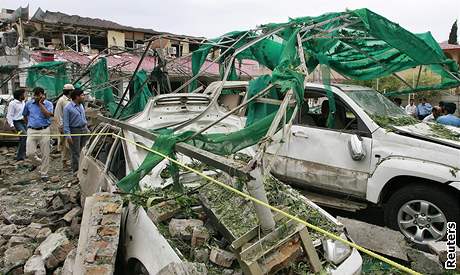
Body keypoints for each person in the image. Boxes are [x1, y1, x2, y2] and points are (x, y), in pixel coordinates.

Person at [23, 87, 54, 180]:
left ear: (43, 95)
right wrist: (29, 124)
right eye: (35, 95)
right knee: (30, 153)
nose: (37, 97)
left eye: (39, 95)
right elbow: (24, 115)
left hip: (44, 130)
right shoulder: (29, 104)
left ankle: (44, 173)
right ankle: (38, 163)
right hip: (32, 130)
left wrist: (40, 104)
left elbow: (48, 115)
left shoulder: (48, 104)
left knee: (45, 153)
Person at [63, 88, 89, 172]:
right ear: (77, 97)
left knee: (83, 150)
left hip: (83, 129)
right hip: (75, 131)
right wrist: (68, 135)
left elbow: (83, 118)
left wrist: (87, 128)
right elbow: (66, 123)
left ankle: (82, 168)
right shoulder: (68, 108)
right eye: (82, 95)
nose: (84, 96)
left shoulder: (81, 105)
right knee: (75, 151)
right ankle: (76, 170)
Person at [54, 84, 74, 168]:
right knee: (65, 145)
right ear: (70, 91)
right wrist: (61, 126)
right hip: (64, 126)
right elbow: (58, 114)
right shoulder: (61, 100)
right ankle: (64, 162)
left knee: (70, 144)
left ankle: (71, 161)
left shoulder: (71, 100)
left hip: (71, 125)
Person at [6, 88, 26, 161]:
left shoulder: (23, 102)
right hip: (17, 122)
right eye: (23, 94)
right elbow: (9, 115)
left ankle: (22, 154)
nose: (25, 95)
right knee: (24, 136)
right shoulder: (13, 103)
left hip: (24, 122)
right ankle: (20, 156)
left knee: (26, 138)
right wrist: (12, 126)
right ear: (20, 95)